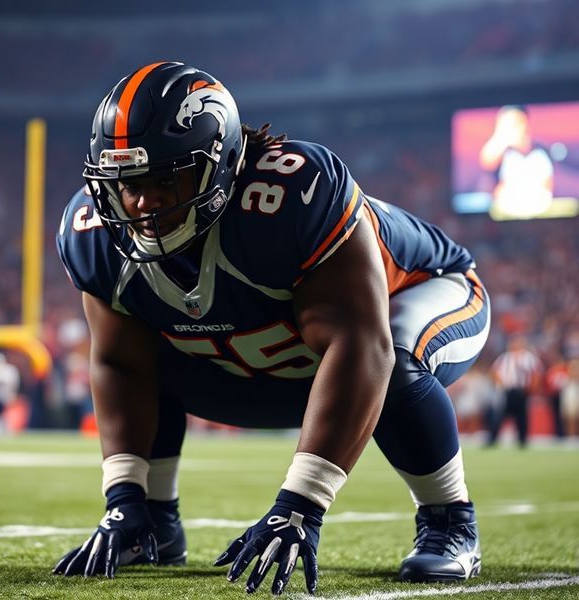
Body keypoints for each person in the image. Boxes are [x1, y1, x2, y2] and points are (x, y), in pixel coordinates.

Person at [53, 62, 490, 594]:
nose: (143, 204)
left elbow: (362, 348)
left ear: (221, 167)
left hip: (431, 289)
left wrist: (300, 505)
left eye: (164, 181)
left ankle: (449, 523)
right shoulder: (96, 236)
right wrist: (123, 498)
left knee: (394, 354)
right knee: (148, 353)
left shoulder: (292, 197)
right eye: (128, 184)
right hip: (280, 360)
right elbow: (120, 363)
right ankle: (154, 524)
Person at [479, 105, 554, 219]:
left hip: (539, 210)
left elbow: (548, 185)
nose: (514, 128)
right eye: (508, 124)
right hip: (506, 211)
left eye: (517, 123)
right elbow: (487, 162)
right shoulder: (500, 152)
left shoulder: (541, 151)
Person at [487, 336, 542, 448]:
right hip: (508, 391)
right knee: (500, 415)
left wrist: (531, 388)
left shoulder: (529, 358)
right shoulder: (504, 357)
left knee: (522, 417)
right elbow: (494, 372)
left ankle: (522, 441)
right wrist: (502, 384)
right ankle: (493, 439)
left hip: (522, 391)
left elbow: (536, 374)